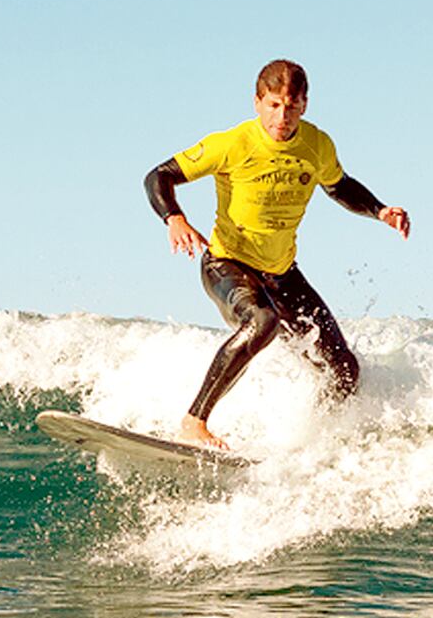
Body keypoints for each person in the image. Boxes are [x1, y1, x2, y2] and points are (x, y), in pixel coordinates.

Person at [144, 59, 410, 450]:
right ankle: (194, 422)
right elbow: (158, 176)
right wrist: (174, 218)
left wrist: (380, 210)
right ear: (257, 102)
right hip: (227, 264)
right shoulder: (232, 143)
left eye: (290, 106)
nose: (281, 116)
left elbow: (340, 187)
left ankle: (314, 442)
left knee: (344, 369)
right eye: (273, 105)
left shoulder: (317, 145)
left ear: (304, 104)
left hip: (282, 274)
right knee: (262, 322)